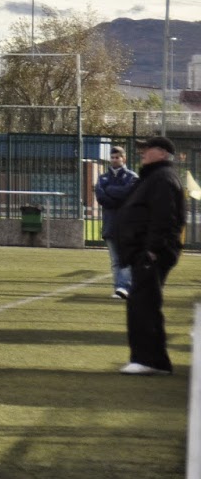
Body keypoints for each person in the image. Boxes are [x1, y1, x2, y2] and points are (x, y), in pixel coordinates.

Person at [114, 136, 186, 376]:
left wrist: (153, 251)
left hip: (151, 254)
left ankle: (149, 360)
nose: (142, 152)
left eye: (148, 149)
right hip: (143, 253)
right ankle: (151, 359)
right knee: (142, 303)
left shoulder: (163, 179)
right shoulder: (153, 177)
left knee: (144, 305)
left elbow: (165, 217)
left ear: (163, 153)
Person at [94, 146, 138, 300]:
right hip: (110, 225)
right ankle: (119, 288)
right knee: (115, 261)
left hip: (127, 225)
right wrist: (116, 194)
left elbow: (128, 194)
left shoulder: (132, 177)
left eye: (117, 157)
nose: (114, 160)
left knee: (126, 258)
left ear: (123, 158)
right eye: (112, 157)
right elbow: (101, 198)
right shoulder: (102, 178)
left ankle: (124, 287)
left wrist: (110, 190)